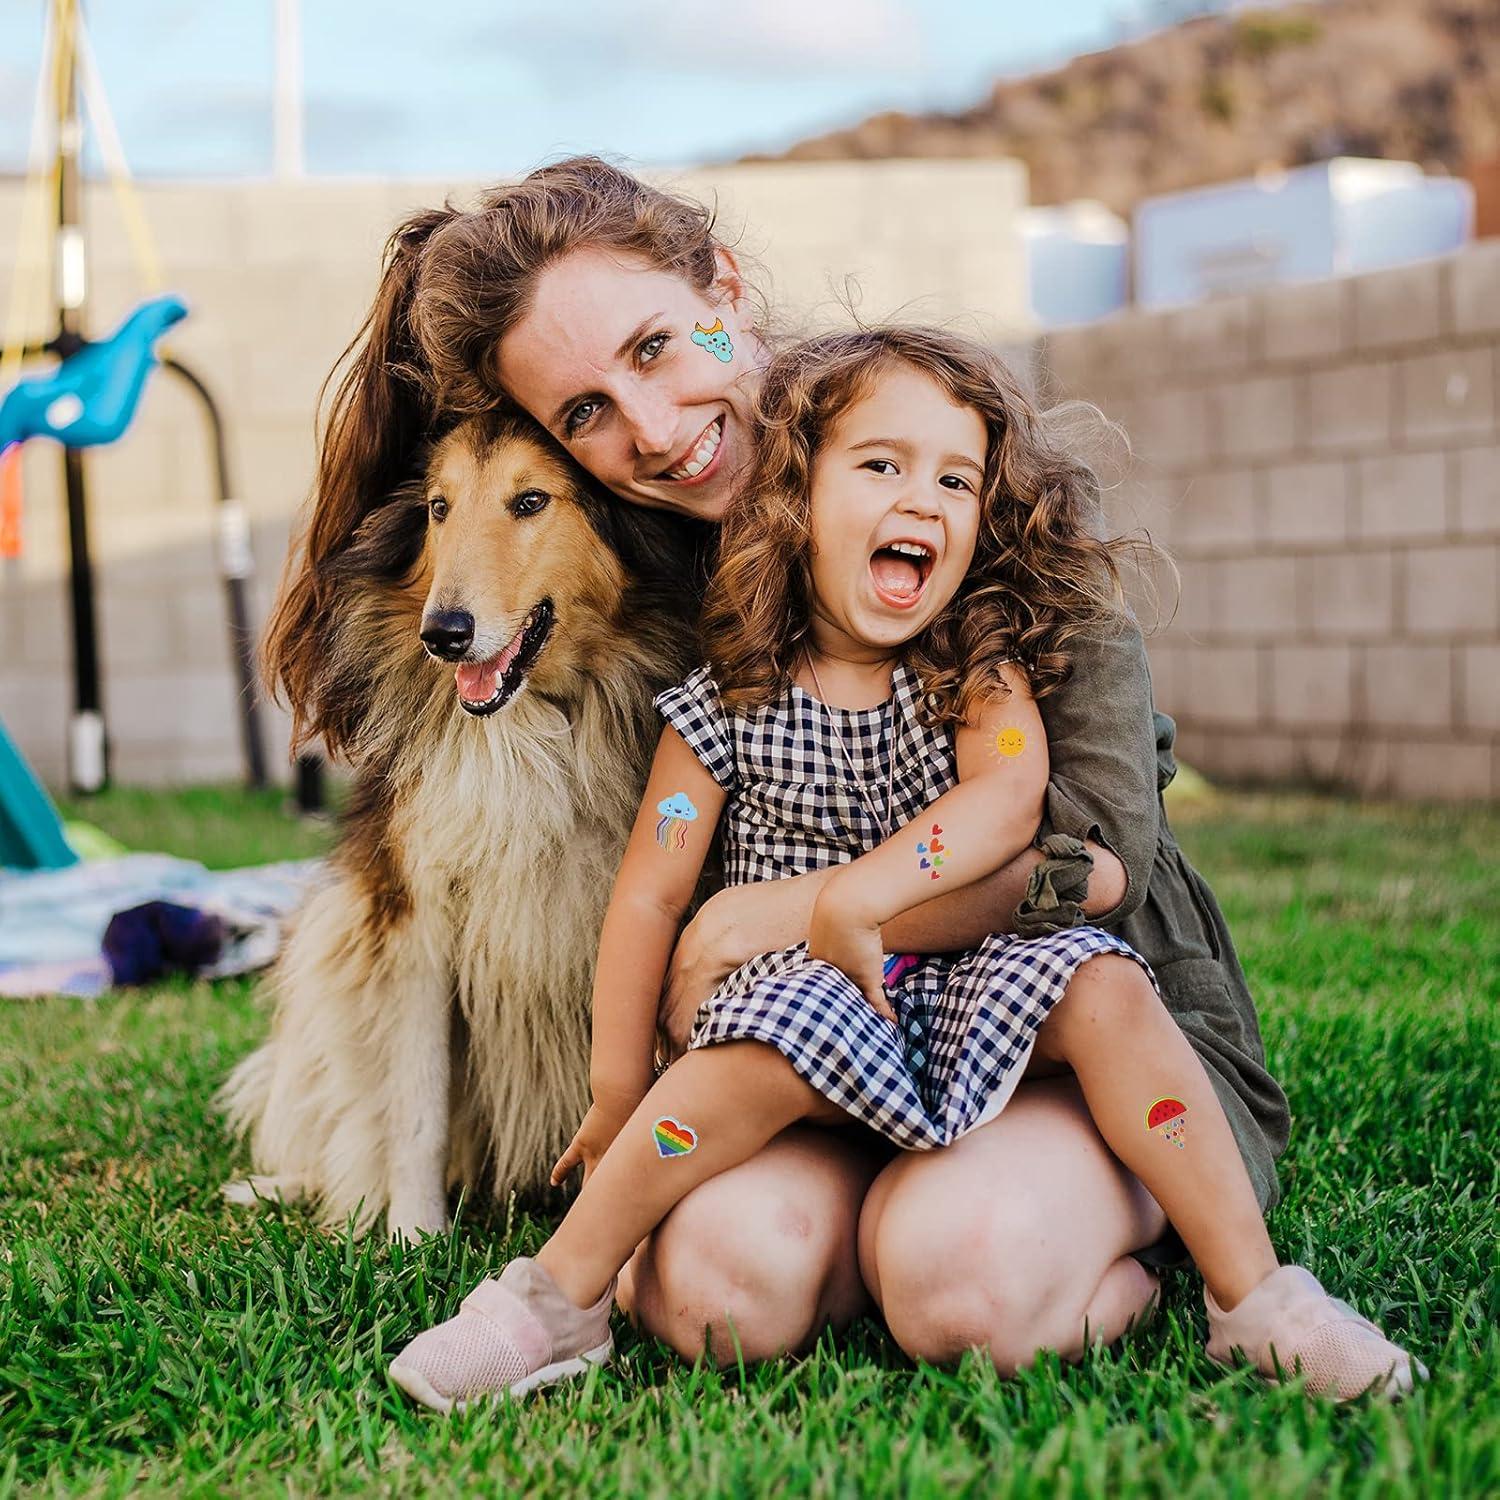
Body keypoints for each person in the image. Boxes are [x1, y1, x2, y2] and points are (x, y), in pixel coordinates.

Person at [281, 155, 1312, 1381]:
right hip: (812, 1049)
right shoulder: (653, 567)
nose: (652, 433)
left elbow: (1095, 871)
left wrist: (794, 909)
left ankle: (1142, 1271)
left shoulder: (963, 500)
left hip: (1066, 1032)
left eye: (657, 347)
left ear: (724, 286)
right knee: (719, 1295)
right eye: (587, 414)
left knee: (961, 1285)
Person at [387, 328, 1420, 1411]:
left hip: (980, 976)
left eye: (957, 479)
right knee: (727, 1071)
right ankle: (557, 1298)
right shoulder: (727, 700)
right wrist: (611, 1087)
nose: (921, 497)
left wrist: (860, 894)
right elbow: (651, 886)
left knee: (1108, 990)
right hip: (818, 1002)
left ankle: (1252, 1296)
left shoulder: (976, 669)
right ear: (791, 494)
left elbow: (1009, 801)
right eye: (882, 465)